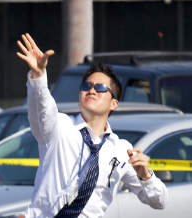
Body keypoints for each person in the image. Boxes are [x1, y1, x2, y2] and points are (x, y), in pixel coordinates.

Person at [16, 33, 167, 218]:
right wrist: (38, 77)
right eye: (86, 86)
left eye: (101, 88)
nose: (92, 90)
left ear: (114, 104)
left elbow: (159, 202)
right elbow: (41, 108)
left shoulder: (121, 150)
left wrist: (146, 175)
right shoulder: (60, 126)